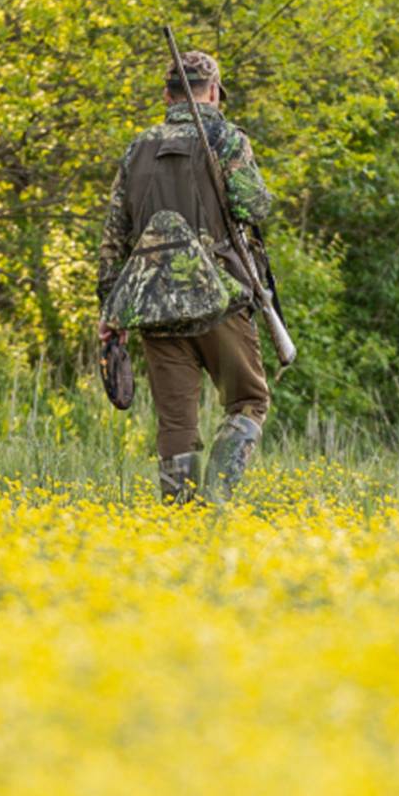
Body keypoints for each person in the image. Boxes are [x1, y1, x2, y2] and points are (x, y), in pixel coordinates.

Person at [96, 50, 274, 504]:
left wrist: (110, 309)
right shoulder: (227, 139)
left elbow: (114, 236)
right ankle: (215, 499)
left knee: (176, 423)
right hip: (221, 300)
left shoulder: (138, 148)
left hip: (154, 307)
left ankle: (179, 517)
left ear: (167, 94)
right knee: (248, 402)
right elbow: (256, 208)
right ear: (213, 92)